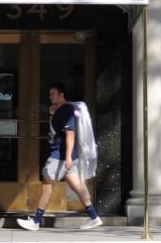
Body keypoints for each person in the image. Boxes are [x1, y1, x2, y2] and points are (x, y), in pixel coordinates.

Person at [17, 82, 102, 231]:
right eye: (50, 94)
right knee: (78, 187)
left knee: (47, 187)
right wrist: (52, 115)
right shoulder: (61, 110)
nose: (50, 97)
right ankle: (94, 217)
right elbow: (57, 131)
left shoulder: (66, 111)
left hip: (60, 157)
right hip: (65, 157)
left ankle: (36, 221)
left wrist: (67, 157)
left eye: (53, 94)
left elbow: (70, 134)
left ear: (61, 95)